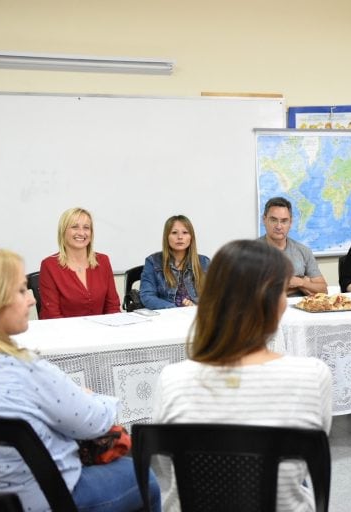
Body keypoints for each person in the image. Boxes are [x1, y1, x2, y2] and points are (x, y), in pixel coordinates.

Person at [0, 247, 160, 512]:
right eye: (20, 290)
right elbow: (95, 422)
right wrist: (89, 396)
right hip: (38, 502)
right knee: (143, 477)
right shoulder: (22, 369)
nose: (30, 300)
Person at [153, 240, 332, 511]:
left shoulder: (172, 379)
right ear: (276, 306)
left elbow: (165, 471)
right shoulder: (312, 376)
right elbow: (307, 459)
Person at [39, 207, 121, 319]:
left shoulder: (103, 261)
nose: (81, 233)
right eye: (75, 227)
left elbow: (113, 307)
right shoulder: (49, 265)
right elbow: (52, 315)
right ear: (63, 231)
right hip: (64, 333)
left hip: (101, 333)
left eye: (86, 228)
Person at [259, 197, 328, 296]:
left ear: (290, 223)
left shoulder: (304, 251)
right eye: (273, 220)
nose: (279, 226)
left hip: (303, 309)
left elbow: (323, 290)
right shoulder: (251, 252)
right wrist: (302, 286)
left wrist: (301, 282)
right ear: (264, 220)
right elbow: (253, 293)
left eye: (284, 221)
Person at [139, 215, 210, 309]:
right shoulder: (153, 261)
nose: (180, 237)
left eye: (185, 232)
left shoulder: (204, 262)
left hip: (195, 315)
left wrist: (194, 307)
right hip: (165, 316)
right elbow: (147, 296)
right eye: (174, 233)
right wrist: (174, 308)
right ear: (166, 237)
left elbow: (214, 295)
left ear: (191, 237)